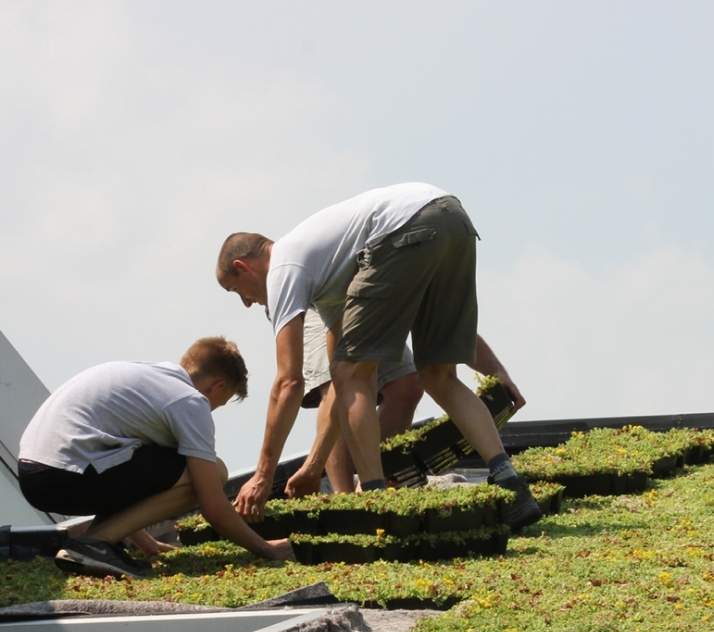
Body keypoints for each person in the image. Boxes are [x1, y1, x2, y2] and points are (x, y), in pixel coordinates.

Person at [216, 182, 540, 529]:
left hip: (405, 230)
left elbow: (289, 382)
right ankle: (509, 482)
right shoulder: (331, 270)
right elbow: (338, 389)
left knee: (354, 373)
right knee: (438, 375)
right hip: (452, 218)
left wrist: (263, 475)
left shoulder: (283, 269)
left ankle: (374, 500)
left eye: (238, 291)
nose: (248, 303)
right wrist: (314, 464)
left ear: (243, 266)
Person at [18, 337, 293, 579]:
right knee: (213, 473)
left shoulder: (145, 378)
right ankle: (95, 542)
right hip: (66, 474)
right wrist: (267, 548)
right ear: (217, 386)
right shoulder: (189, 401)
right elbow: (212, 503)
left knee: (165, 463)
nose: (210, 413)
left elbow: (124, 474)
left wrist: (146, 542)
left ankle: (100, 543)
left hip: (36, 475)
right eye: (217, 405)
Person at [295, 308, 423, 494]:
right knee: (337, 388)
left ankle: (370, 482)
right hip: (321, 302)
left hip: (368, 300)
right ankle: (345, 498)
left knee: (406, 386)